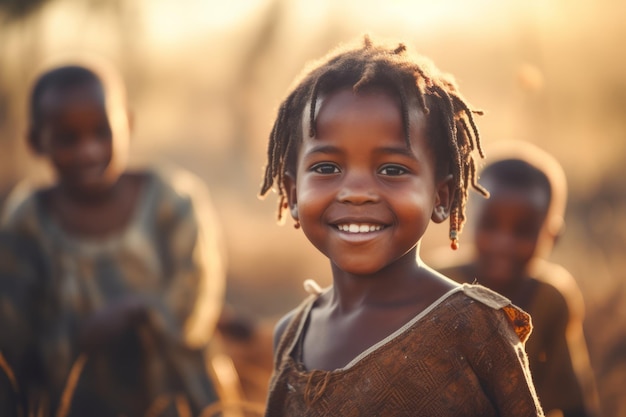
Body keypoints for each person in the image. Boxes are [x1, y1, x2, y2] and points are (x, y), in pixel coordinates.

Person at [258, 35, 544, 416]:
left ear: (441, 196)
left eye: (392, 169)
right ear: (293, 195)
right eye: (327, 167)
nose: (357, 193)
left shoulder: (473, 327)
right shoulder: (292, 336)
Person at [0, 59, 227, 417]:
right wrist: (79, 337)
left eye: (101, 132)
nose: (87, 150)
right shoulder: (26, 220)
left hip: (179, 397)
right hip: (70, 404)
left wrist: (140, 312)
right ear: (35, 142)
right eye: (67, 138)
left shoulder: (172, 201)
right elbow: (14, 335)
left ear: (128, 124)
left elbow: (194, 311)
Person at [434, 140, 601, 417]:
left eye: (523, 230)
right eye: (490, 224)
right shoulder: (438, 285)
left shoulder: (551, 299)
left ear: (552, 237)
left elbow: (574, 401)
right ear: (463, 219)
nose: (504, 243)